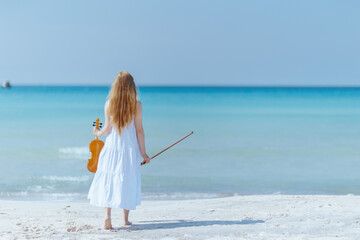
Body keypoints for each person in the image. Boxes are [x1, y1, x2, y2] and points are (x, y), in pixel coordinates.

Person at [87, 71, 151, 230]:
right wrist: (144, 153)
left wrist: (97, 133)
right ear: (131, 86)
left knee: (109, 179)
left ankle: (107, 217)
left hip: (111, 148)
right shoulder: (137, 105)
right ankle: (125, 219)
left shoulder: (109, 104)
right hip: (129, 149)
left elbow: (107, 129)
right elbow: (139, 131)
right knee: (127, 180)